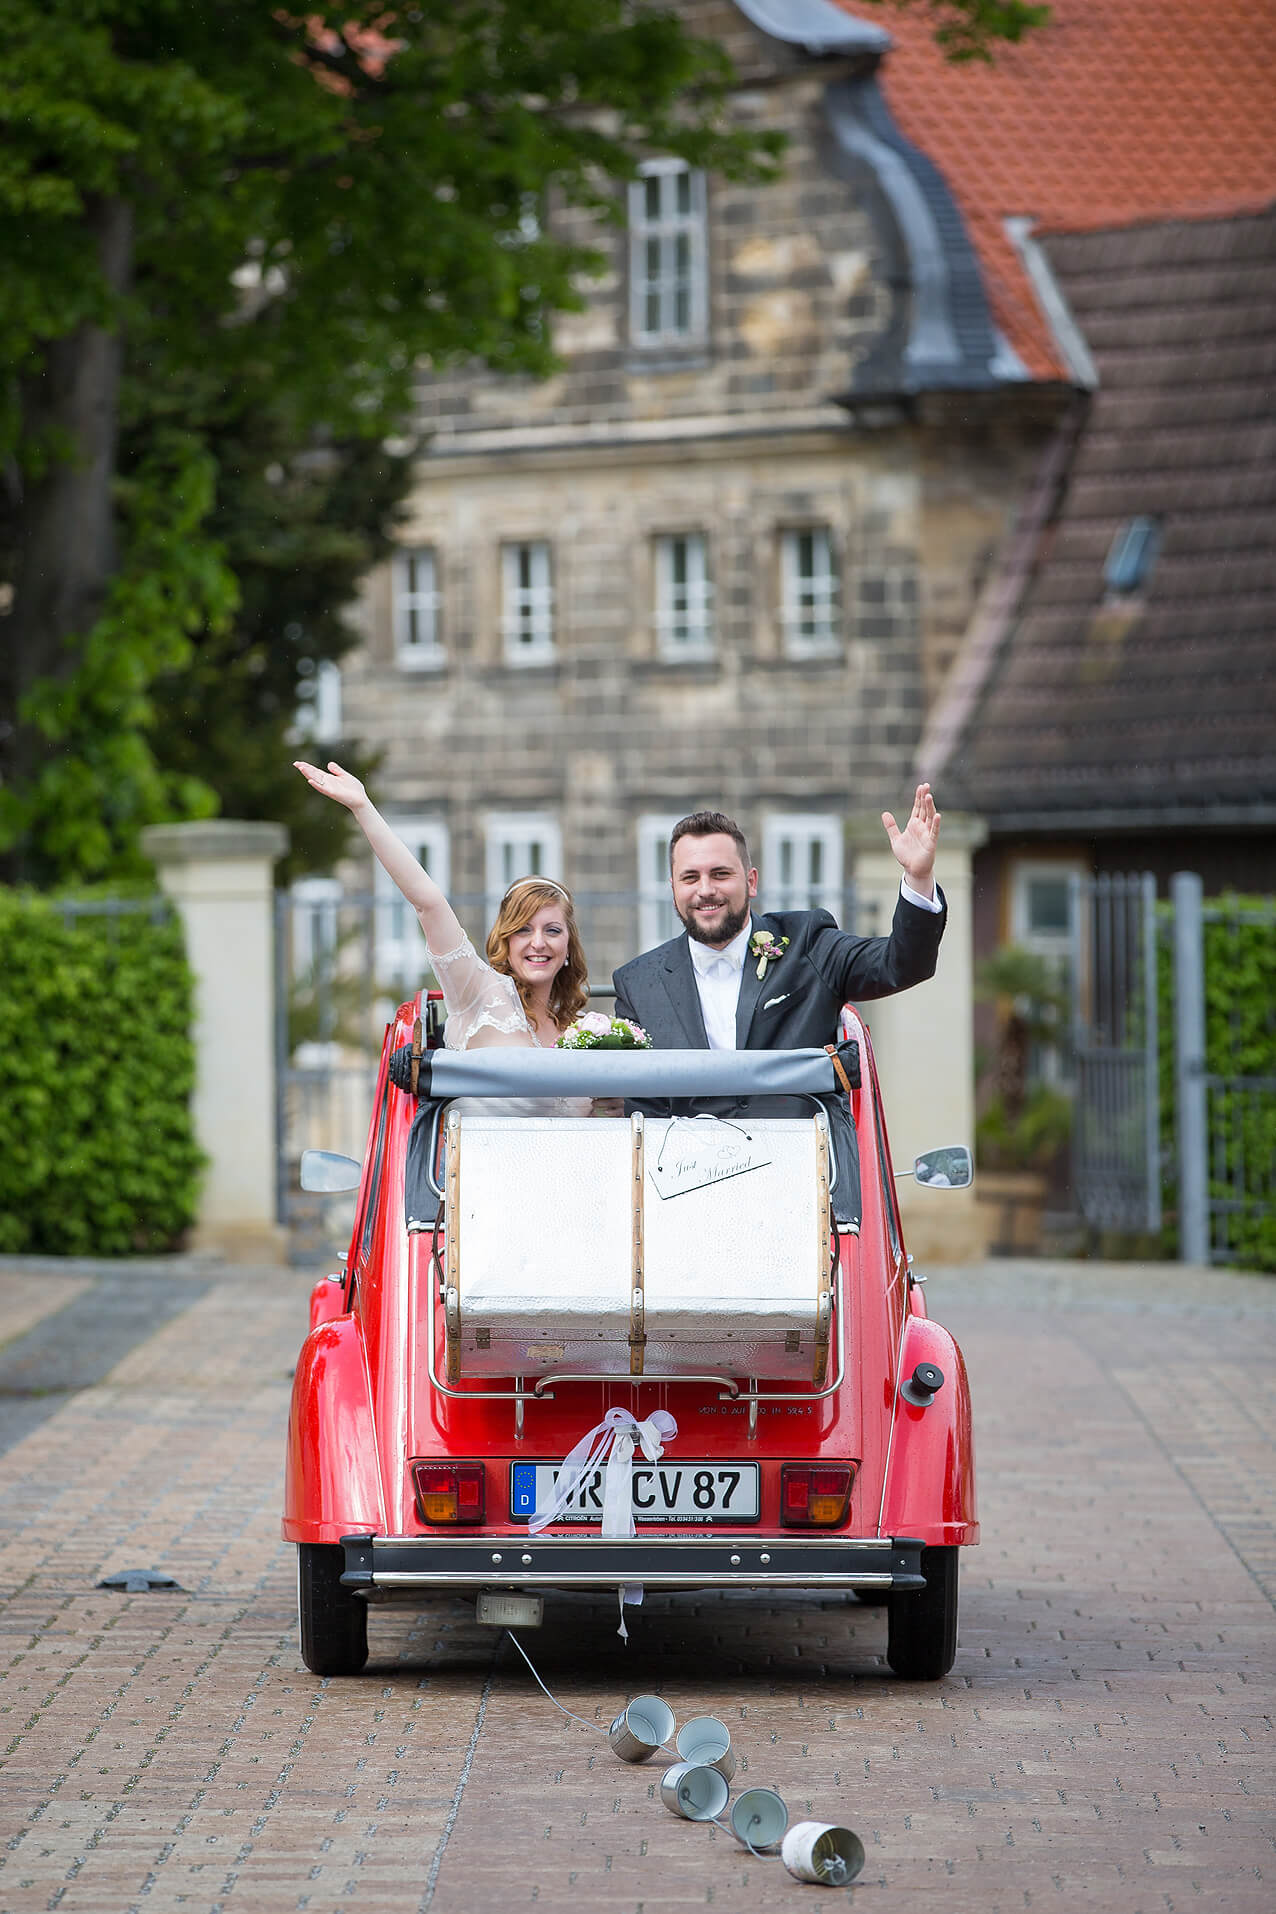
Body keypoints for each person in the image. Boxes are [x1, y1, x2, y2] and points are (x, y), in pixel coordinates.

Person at [611, 785, 947, 1218]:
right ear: (672, 888)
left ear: (751, 882)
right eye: (690, 877)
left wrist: (918, 878)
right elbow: (646, 1114)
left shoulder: (807, 944)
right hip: (687, 1204)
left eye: (721, 874)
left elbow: (900, 965)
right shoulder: (639, 983)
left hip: (804, 1192)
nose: (705, 890)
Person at [294, 760, 592, 1116]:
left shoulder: (583, 1031)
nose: (538, 942)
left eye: (552, 930)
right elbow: (428, 903)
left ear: (569, 947)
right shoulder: (480, 991)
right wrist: (363, 807)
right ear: (506, 941)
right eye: (523, 929)